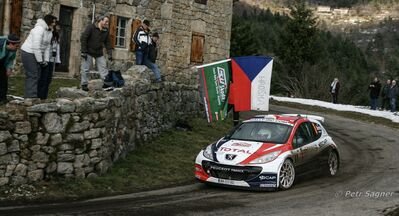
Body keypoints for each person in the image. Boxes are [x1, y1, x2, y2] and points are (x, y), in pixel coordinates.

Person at [21, 14, 57, 98]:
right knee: (33, 75)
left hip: (37, 54)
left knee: (39, 75)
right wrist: (40, 61)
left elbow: (47, 47)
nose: (55, 24)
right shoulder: (39, 29)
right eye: (54, 22)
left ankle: (35, 95)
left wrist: (46, 60)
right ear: (49, 21)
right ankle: (30, 97)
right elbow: (36, 46)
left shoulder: (49, 31)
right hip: (28, 52)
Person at [80, 15, 113, 91]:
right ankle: (84, 84)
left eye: (108, 22)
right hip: (88, 51)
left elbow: (108, 43)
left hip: (99, 52)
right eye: (106, 21)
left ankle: (106, 84)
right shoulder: (91, 27)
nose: (107, 23)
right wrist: (83, 51)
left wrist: (110, 53)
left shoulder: (106, 31)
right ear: (100, 20)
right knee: (85, 68)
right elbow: (84, 38)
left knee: (103, 67)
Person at [38, 22, 61, 100]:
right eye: (57, 27)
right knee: (43, 78)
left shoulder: (56, 37)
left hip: (51, 60)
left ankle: (44, 96)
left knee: (48, 79)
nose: (59, 29)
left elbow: (57, 48)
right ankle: (40, 95)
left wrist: (58, 60)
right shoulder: (48, 34)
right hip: (45, 59)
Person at [0, 34, 20, 105]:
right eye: (16, 46)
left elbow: (10, 60)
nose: (17, 48)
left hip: (2, 62)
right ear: (11, 44)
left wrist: (9, 68)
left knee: (3, 80)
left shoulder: (12, 50)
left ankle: (2, 99)